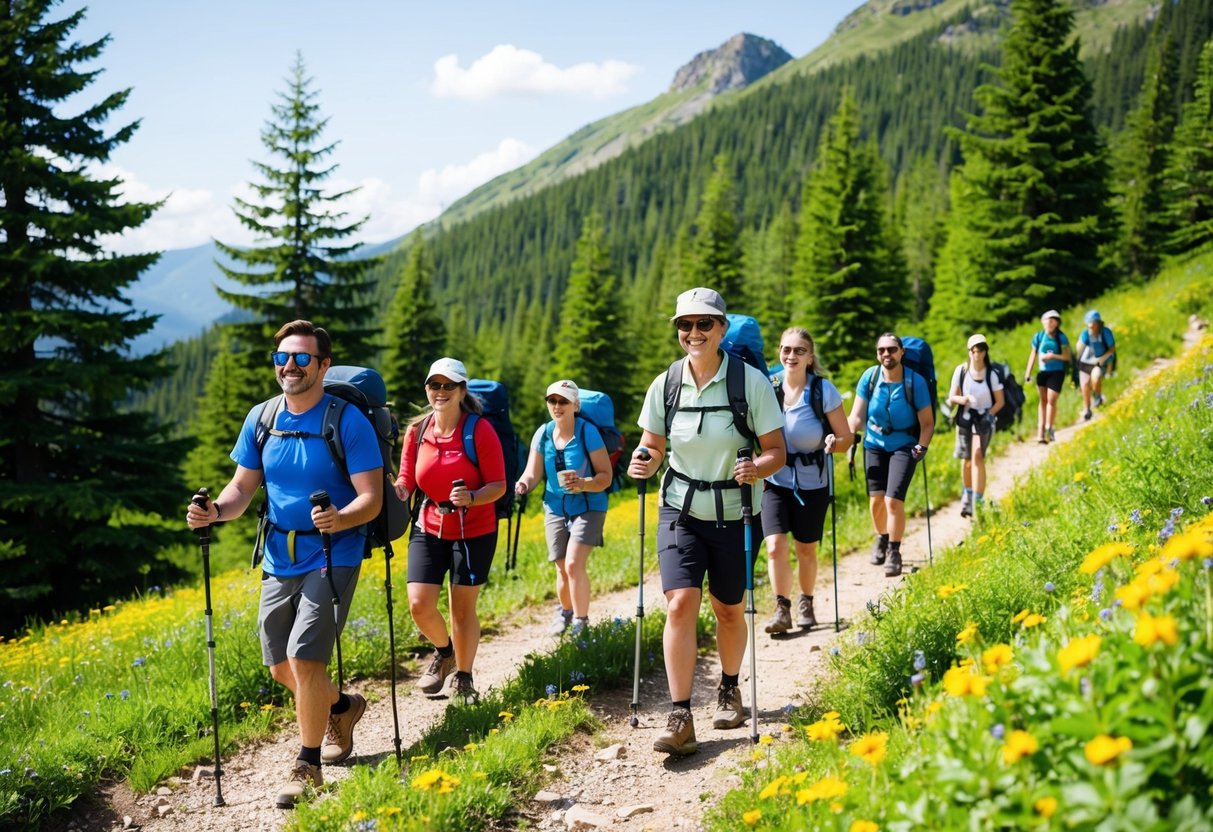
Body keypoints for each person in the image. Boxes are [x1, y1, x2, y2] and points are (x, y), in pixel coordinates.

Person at [185, 320, 382, 809]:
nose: (289, 366)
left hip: (334, 551)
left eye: (301, 359)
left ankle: (308, 764)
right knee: (278, 667)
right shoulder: (263, 417)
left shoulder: (346, 422)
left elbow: (372, 500)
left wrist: (340, 519)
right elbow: (241, 488)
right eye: (282, 358)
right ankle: (342, 706)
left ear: (323, 365)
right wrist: (216, 512)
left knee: (305, 657)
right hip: (279, 553)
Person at [627, 287, 786, 756]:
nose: (692, 333)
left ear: (721, 329)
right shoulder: (667, 384)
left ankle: (729, 688)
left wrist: (759, 467)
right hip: (679, 508)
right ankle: (680, 715)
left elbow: (776, 449)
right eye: (684, 325)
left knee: (728, 609)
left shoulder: (749, 383)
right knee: (679, 603)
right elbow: (653, 444)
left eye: (703, 324)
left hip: (736, 512)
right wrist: (645, 459)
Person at [395, 358, 506, 705]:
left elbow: (499, 485)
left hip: (474, 528)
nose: (440, 391)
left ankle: (464, 676)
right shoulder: (417, 431)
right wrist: (396, 491)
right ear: (427, 388)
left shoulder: (479, 430)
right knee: (419, 605)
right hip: (428, 525)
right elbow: (406, 479)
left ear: (461, 391)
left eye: (448, 386)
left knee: (461, 609)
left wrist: (472, 497)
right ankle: (444, 652)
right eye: (434, 385)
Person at [761, 327, 853, 635]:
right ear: (779, 352)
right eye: (787, 349)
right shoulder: (769, 387)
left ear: (810, 357)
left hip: (814, 482)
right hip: (775, 480)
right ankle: (782, 608)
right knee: (775, 546)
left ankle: (807, 601)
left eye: (799, 350)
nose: (792, 355)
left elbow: (846, 438)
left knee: (806, 550)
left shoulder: (822, 391)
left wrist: (833, 443)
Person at [515, 379, 613, 637]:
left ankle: (581, 621)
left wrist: (582, 483)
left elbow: (606, 476)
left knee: (572, 564)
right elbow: (532, 473)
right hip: (555, 507)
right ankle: (565, 611)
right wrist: (523, 484)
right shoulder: (543, 433)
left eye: (563, 401)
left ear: (575, 405)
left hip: (589, 505)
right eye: (552, 401)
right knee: (561, 565)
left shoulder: (586, 432)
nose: (557, 406)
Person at [847, 333, 935, 578]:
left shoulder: (914, 381)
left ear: (901, 352)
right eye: (881, 350)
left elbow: (927, 422)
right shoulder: (870, 377)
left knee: (892, 500)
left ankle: (894, 551)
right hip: (873, 443)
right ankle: (882, 538)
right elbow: (856, 415)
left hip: (904, 445)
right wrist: (848, 437)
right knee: (876, 500)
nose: (886, 354)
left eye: (892, 349)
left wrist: (922, 446)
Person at [946, 334, 1005, 519]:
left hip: (983, 421)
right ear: (969, 352)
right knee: (967, 460)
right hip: (965, 419)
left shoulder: (992, 374)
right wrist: (964, 399)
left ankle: (977, 501)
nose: (977, 354)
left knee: (978, 455)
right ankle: (968, 494)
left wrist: (989, 415)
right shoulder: (961, 371)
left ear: (985, 351)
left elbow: (1000, 401)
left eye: (980, 350)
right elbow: (951, 398)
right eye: (973, 350)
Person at [1023, 309, 1071, 444]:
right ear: (1043, 322)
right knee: (1043, 400)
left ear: (1057, 323)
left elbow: (1067, 356)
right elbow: (1033, 355)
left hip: (1057, 372)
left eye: (1052, 321)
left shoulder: (1061, 337)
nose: (1049, 323)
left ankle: (1049, 426)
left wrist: (1052, 356)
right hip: (1043, 373)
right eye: (1047, 321)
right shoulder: (1038, 337)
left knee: (1051, 399)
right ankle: (1041, 431)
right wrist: (1028, 373)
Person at [1077, 310, 1116, 420]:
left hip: (1099, 361)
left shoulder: (1105, 332)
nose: (1091, 326)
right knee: (1084, 385)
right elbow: (1079, 349)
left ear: (1098, 322)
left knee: (1096, 377)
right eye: (1089, 323)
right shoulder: (1085, 334)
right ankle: (1087, 410)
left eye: (1093, 323)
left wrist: (1101, 360)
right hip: (1085, 362)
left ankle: (1098, 398)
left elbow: (1112, 349)